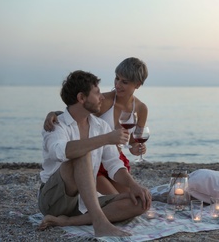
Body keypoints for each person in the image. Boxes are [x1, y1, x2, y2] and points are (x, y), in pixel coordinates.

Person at [38, 70, 151, 238]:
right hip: (55, 199)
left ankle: (68, 221)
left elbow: (114, 164)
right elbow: (60, 152)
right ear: (81, 98)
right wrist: (106, 139)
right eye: (97, 93)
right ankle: (100, 223)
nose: (102, 97)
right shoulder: (56, 125)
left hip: (85, 201)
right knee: (81, 154)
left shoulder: (100, 126)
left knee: (141, 202)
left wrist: (133, 184)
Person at [43, 57, 149, 195]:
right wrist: (54, 114)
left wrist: (138, 148)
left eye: (124, 82)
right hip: (95, 161)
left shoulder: (141, 109)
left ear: (138, 84)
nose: (118, 84)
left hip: (114, 159)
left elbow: (133, 143)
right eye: (117, 78)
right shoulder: (104, 101)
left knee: (133, 199)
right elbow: (76, 113)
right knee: (115, 199)